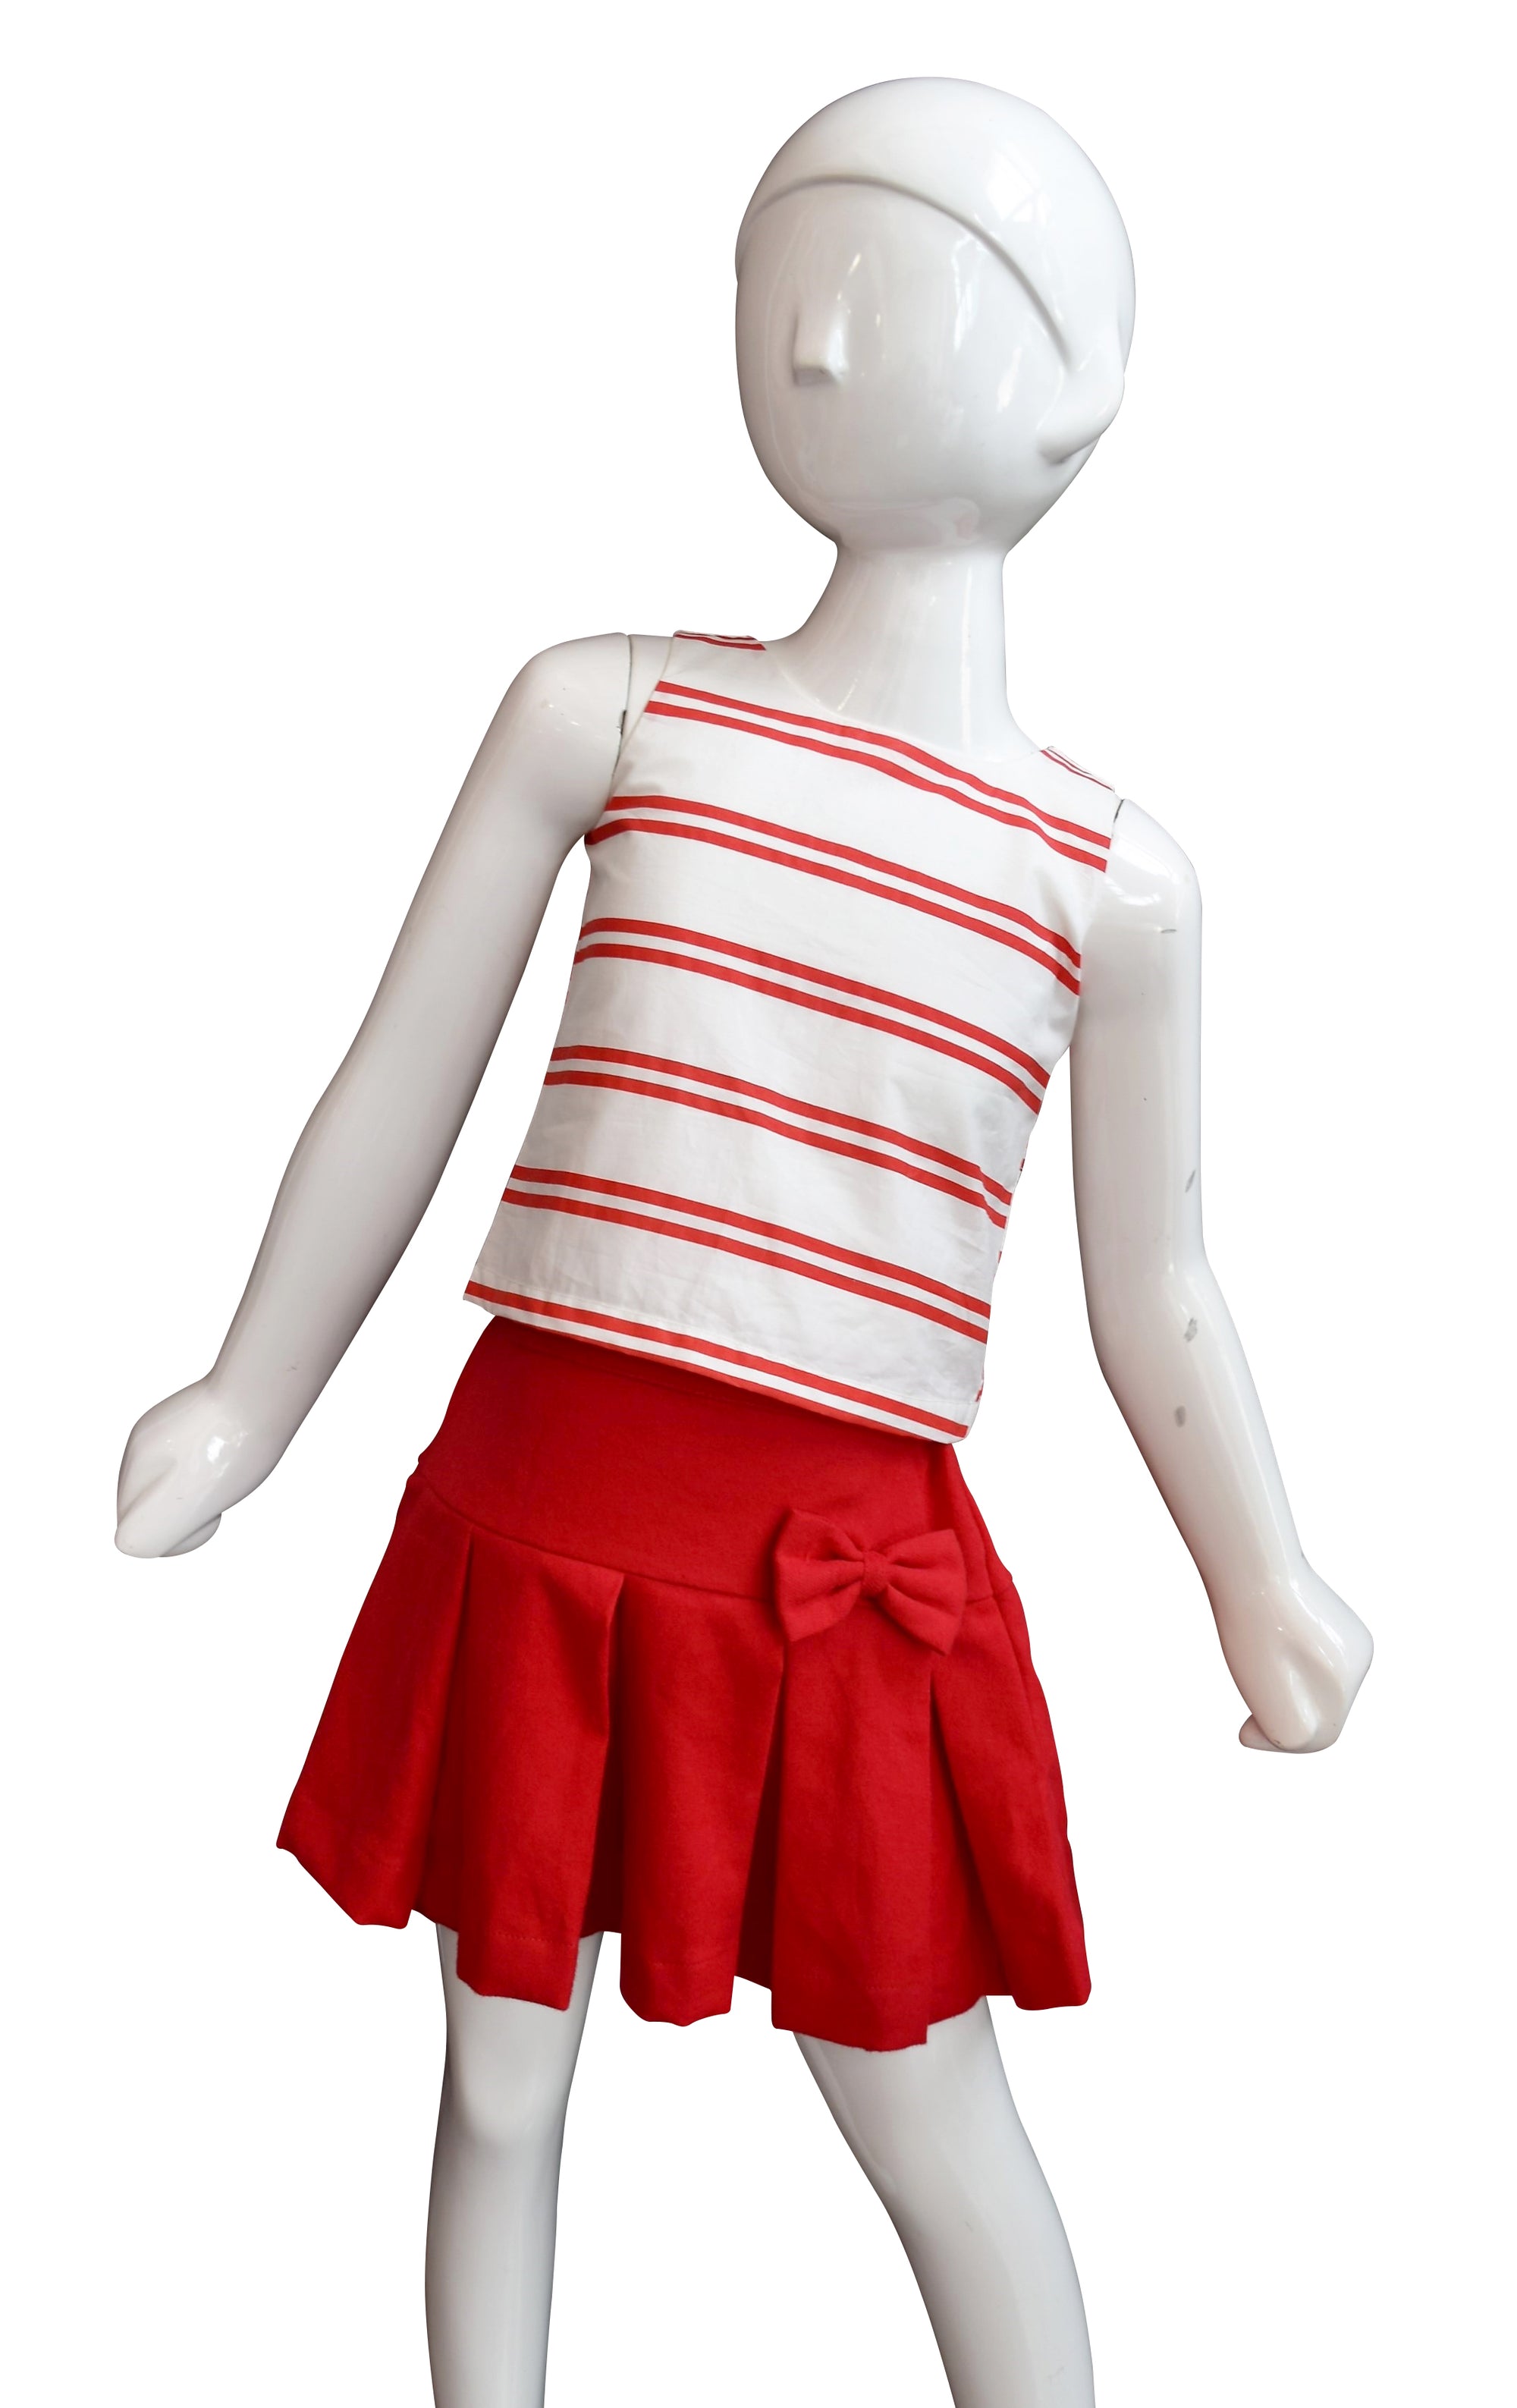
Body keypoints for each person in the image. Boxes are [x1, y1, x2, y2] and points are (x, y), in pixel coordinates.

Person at [116, 78, 1371, 2408]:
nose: (812, 344)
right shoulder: (612, 712)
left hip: (838, 1564)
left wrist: (1260, 1574)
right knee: (501, 2068)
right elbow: (401, 1077)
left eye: (891, 287)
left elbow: (1159, 1284)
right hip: (537, 1498)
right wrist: (247, 1394)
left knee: (924, 2093)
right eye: (778, 282)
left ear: (1078, 392)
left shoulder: (1110, 880)